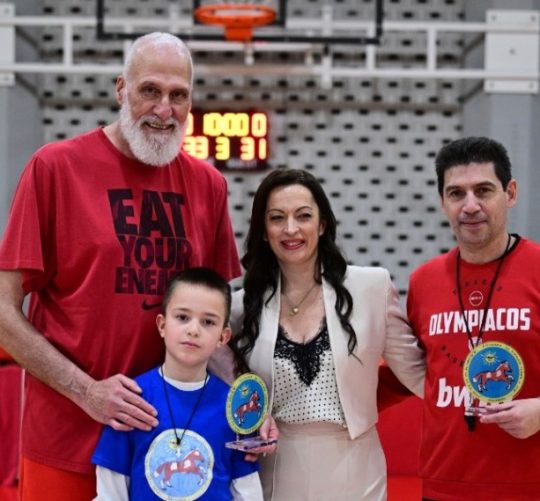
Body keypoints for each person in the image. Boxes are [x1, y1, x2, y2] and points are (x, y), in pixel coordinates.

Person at [0, 32, 241, 500]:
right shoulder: (55, 168)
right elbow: (4, 312)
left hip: (169, 447)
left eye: (178, 96)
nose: (164, 109)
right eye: (150, 90)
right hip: (67, 439)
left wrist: (244, 410)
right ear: (120, 89)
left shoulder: (208, 184)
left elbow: (217, 326)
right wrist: (86, 391)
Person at [228, 168, 425, 500]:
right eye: (277, 218)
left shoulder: (371, 287)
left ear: (322, 224)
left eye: (303, 216)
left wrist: (481, 399)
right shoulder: (240, 307)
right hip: (273, 469)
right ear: (263, 231)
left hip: (356, 469)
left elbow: (419, 374)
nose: (291, 229)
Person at [407, 136, 540, 500]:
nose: (470, 206)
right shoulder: (423, 281)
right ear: (442, 202)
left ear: (510, 193)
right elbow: (411, 370)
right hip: (443, 484)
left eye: (483, 190)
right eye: (456, 193)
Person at [92, 267, 263, 500]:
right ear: (162, 325)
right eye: (182, 317)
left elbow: (247, 492)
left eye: (208, 322)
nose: (193, 330)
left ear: (223, 337)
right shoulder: (130, 400)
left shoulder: (235, 409)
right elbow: (110, 493)